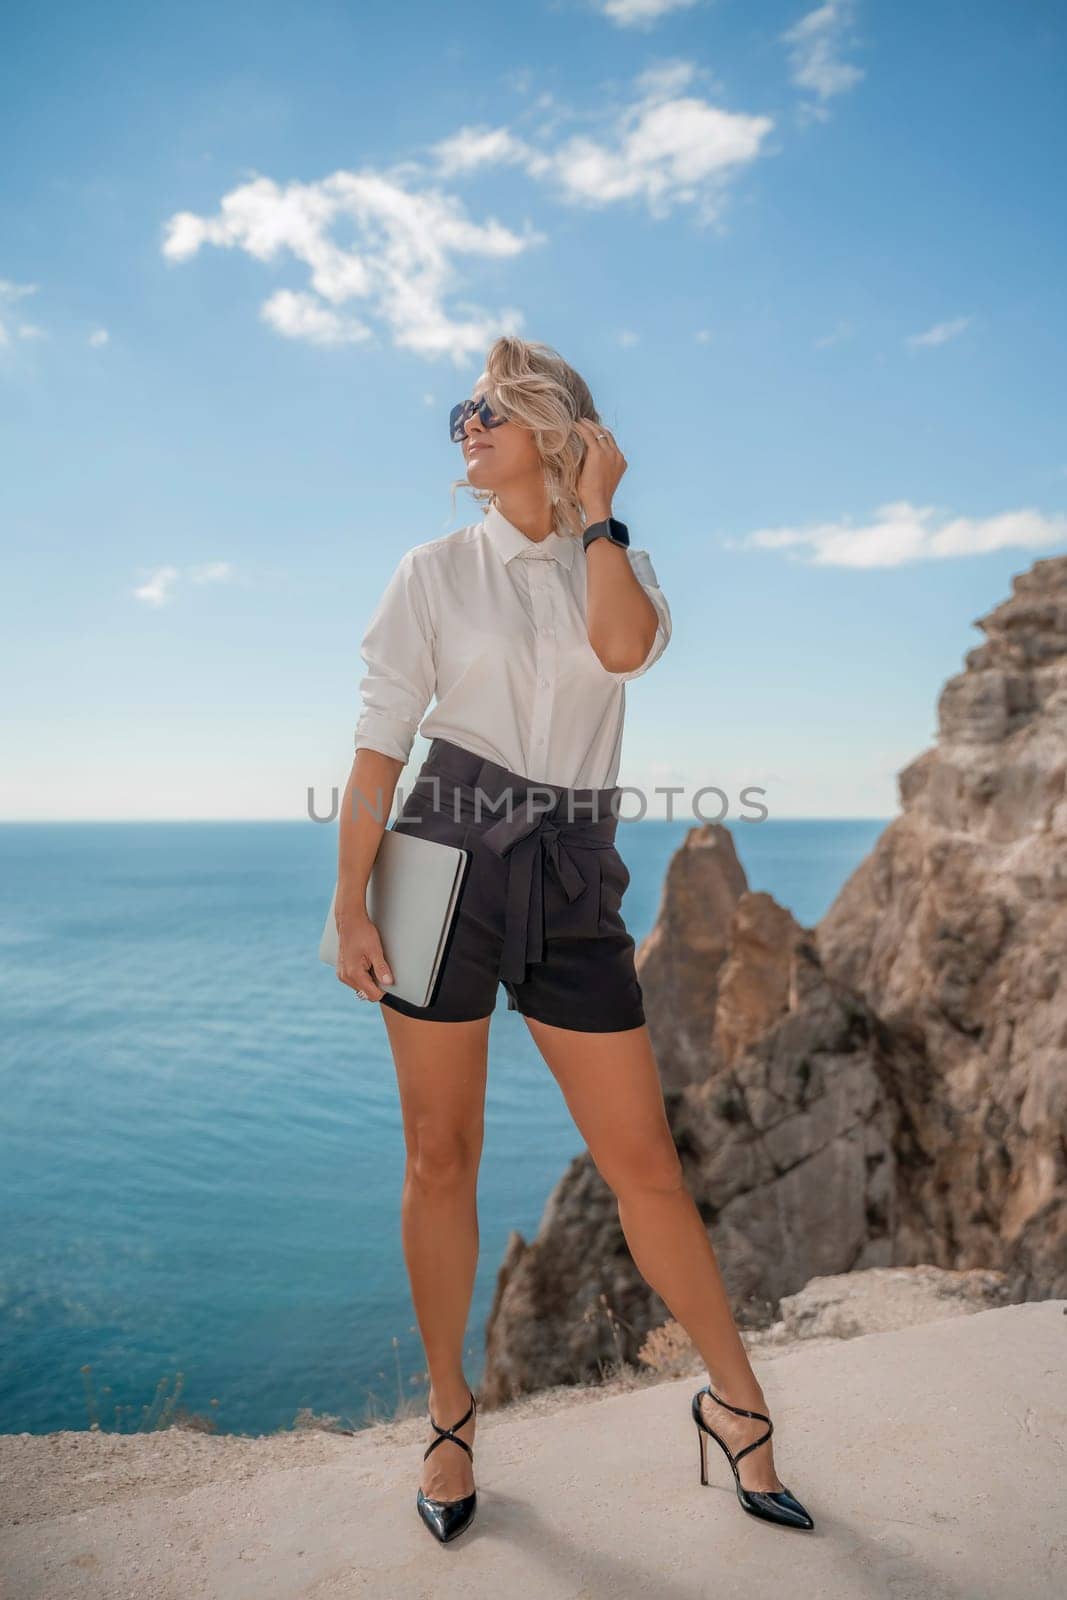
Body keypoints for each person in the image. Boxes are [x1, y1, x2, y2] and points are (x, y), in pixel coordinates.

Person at [333, 336, 814, 1543]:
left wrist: (597, 514)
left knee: (642, 1159)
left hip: (569, 864)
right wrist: (348, 900)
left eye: (489, 408)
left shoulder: (621, 566)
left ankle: (738, 1405)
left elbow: (618, 651)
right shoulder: (432, 570)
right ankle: (449, 1415)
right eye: (461, 409)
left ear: (558, 430)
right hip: (435, 852)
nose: (463, 424)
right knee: (440, 1154)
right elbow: (380, 744)